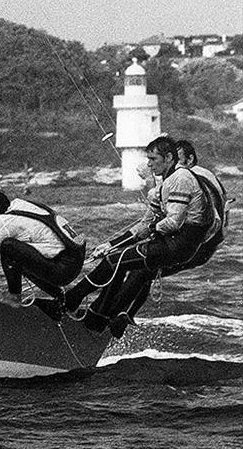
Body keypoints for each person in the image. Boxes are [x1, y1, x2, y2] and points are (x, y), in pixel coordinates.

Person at [64, 136, 214, 336]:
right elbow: (144, 223)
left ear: (169, 157)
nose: (149, 164)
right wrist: (110, 243)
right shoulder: (165, 185)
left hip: (179, 246)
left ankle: (69, 303)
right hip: (172, 243)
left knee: (115, 262)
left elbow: (173, 222)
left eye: (153, 159)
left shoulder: (181, 178)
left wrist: (151, 229)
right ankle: (99, 317)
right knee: (115, 257)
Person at [98, 139, 229, 337]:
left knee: (138, 267)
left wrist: (150, 183)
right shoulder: (200, 177)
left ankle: (106, 316)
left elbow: (210, 220)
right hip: (202, 246)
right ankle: (122, 316)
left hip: (196, 245)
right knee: (142, 267)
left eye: (178, 160)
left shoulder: (192, 177)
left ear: (190, 160)